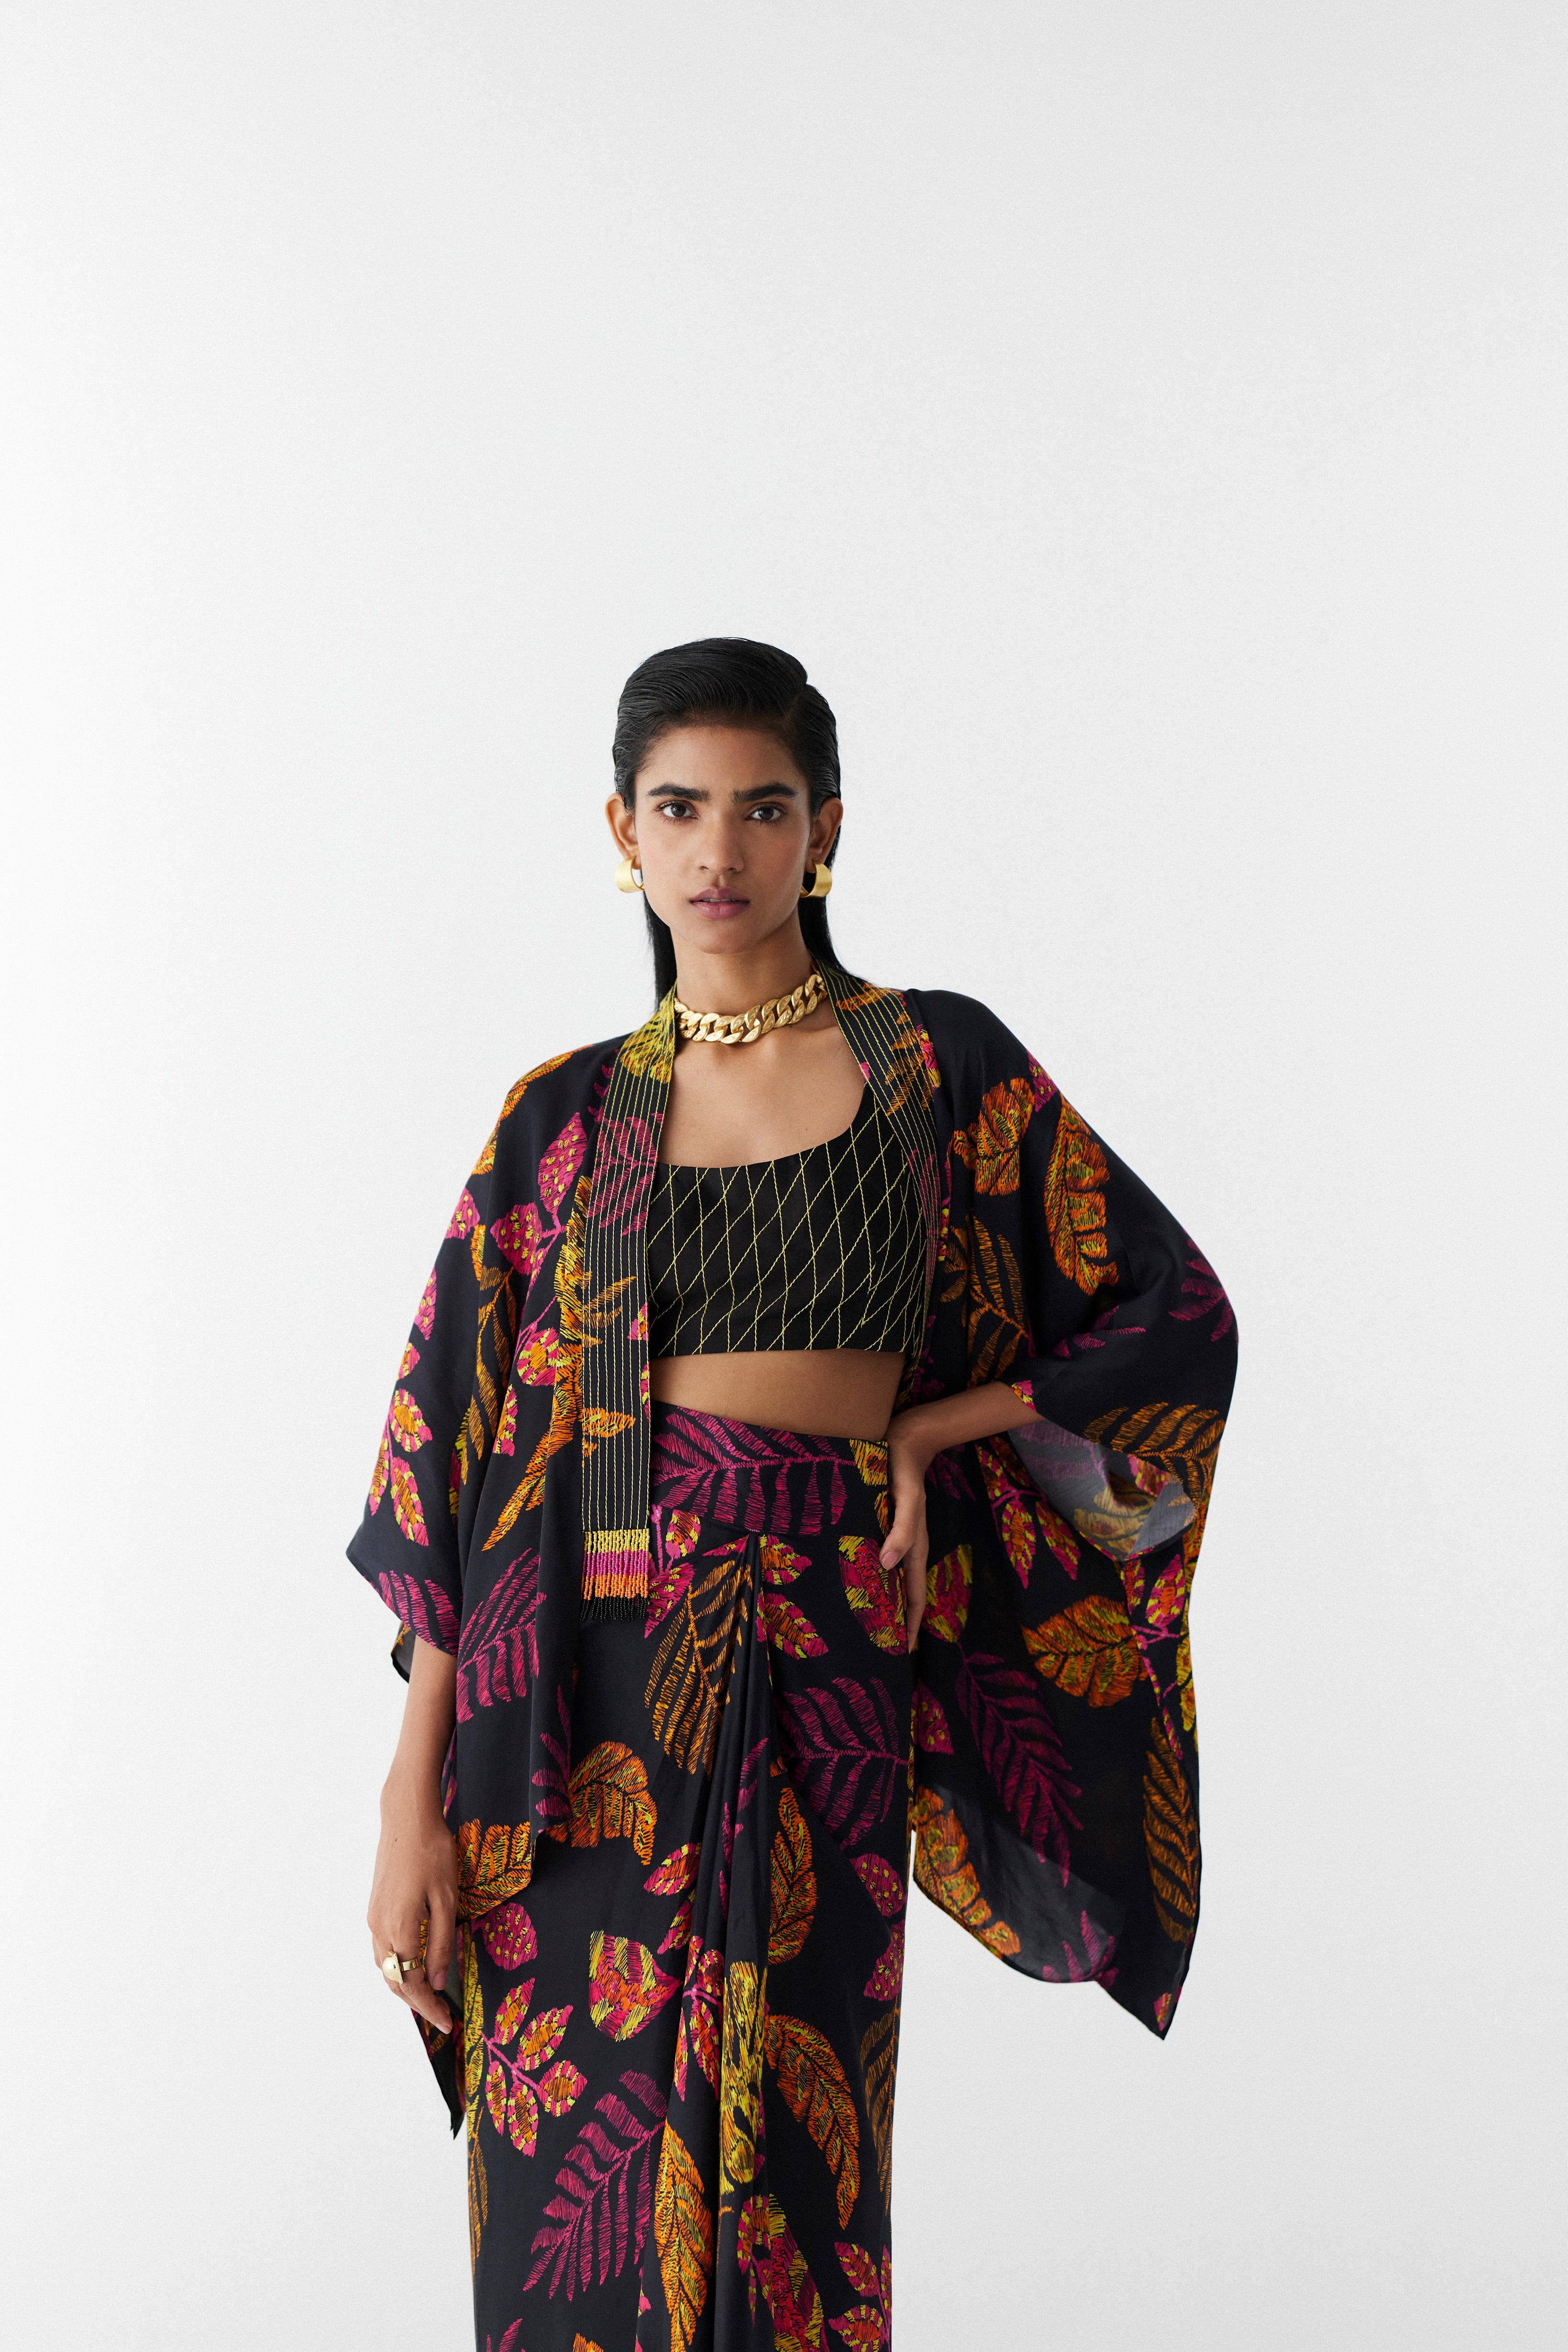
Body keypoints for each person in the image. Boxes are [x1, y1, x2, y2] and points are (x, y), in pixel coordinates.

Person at [351, 638, 1237, 2352]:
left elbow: (1174, 1312)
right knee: (573, 2178)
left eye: (764, 809)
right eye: (681, 808)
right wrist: (409, 1799)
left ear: (825, 829)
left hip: (826, 1659)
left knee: (795, 2167)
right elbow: (450, 1472)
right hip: (573, 1714)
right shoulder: (559, 1120)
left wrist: (936, 1429)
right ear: (623, 830)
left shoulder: (932, 1064)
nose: (721, 849)